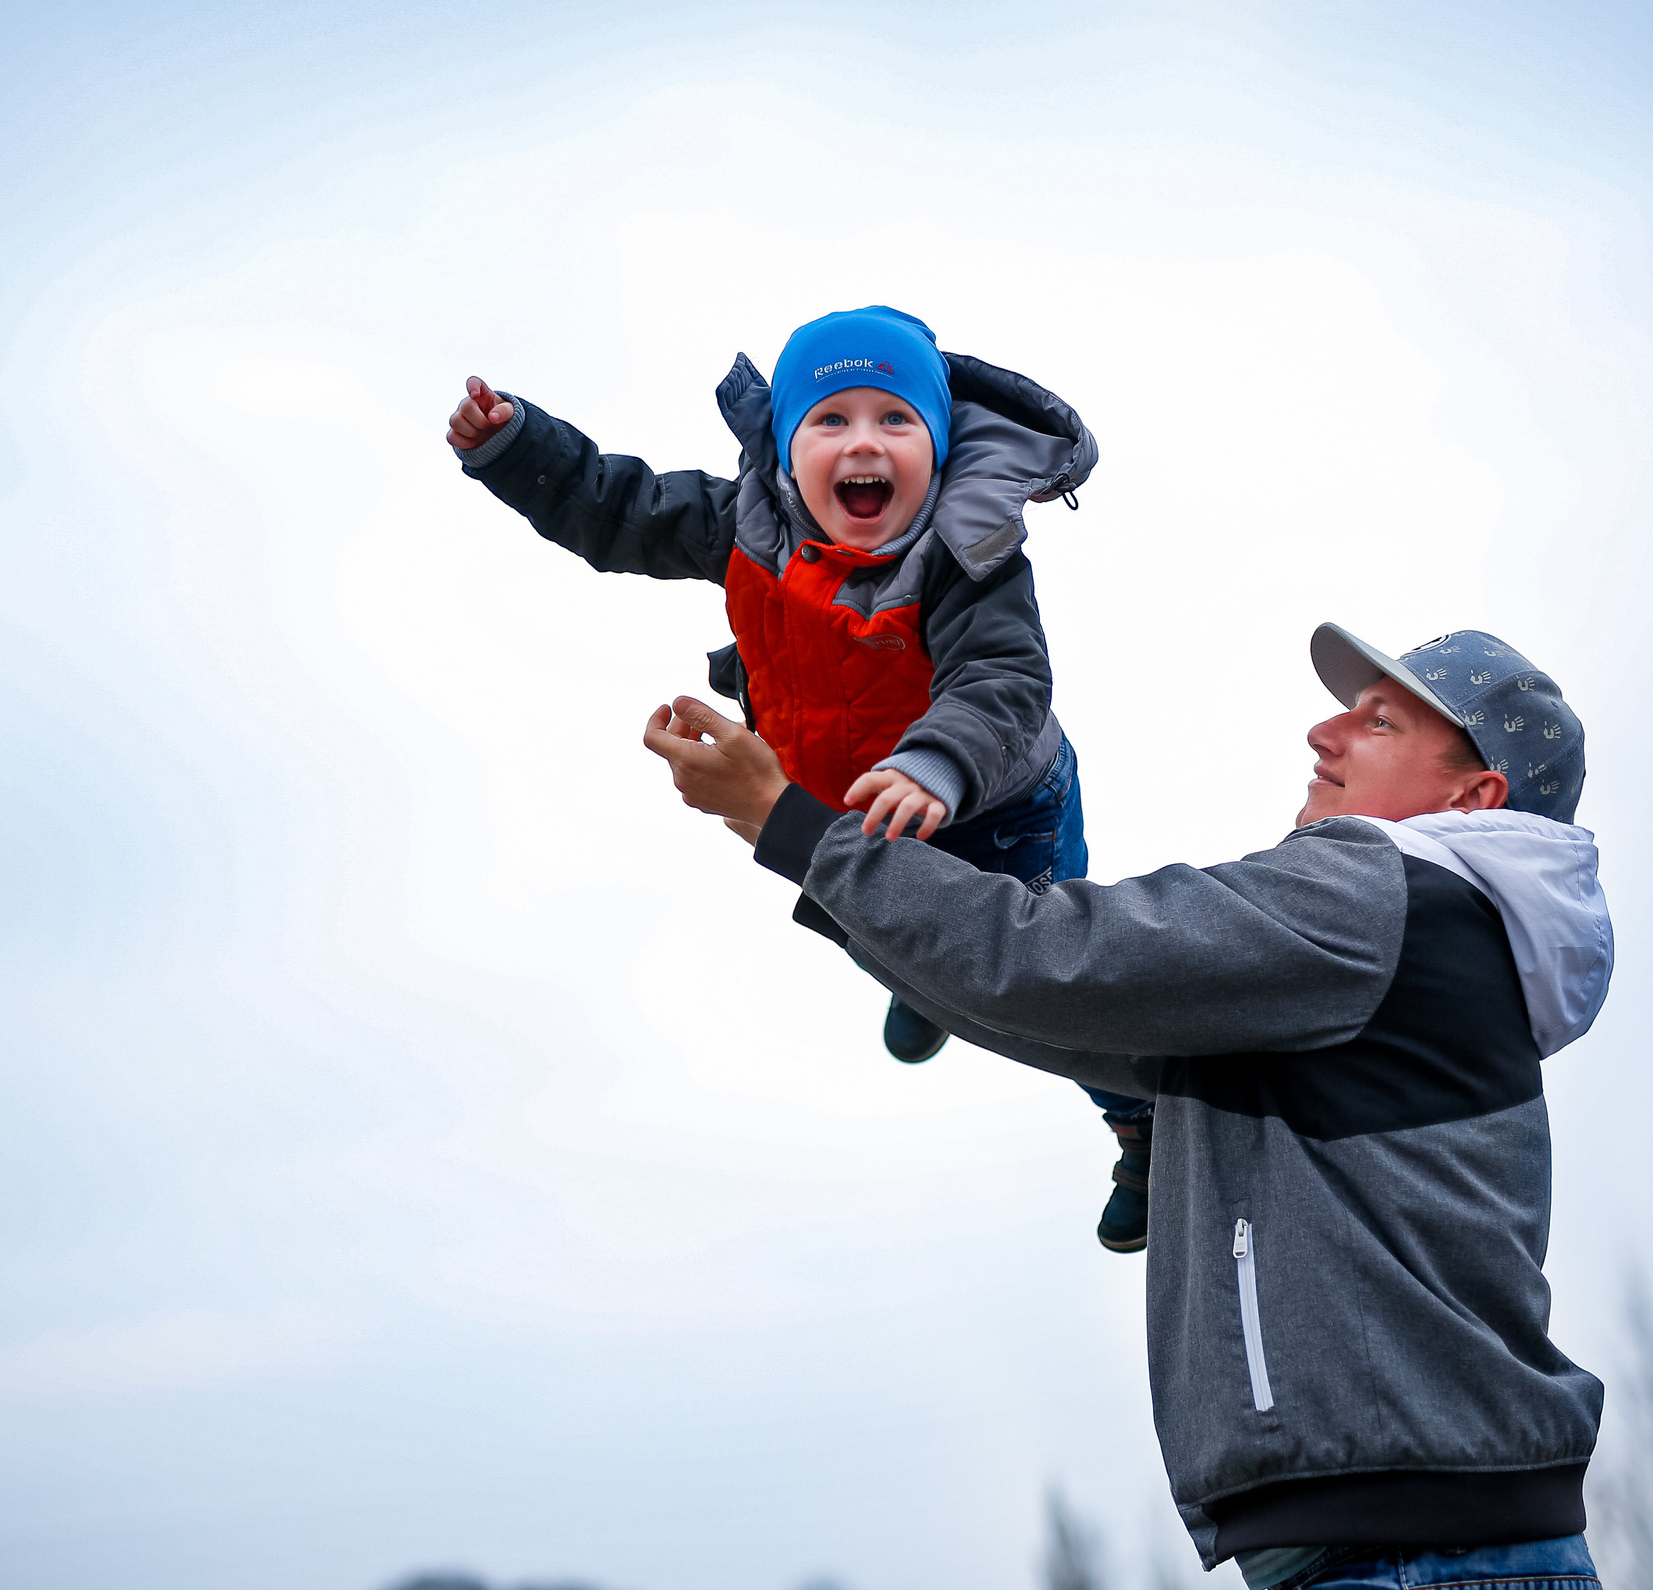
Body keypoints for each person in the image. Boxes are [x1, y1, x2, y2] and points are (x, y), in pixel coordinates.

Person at [642, 623, 1620, 1590]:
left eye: (1379, 720)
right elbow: (1069, 1011)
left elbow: (1056, 960)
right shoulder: (1409, 937)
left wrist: (796, 826)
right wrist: (828, 861)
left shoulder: (1385, 893)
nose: (1325, 727)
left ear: (1475, 798)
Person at [449, 306, 1158, 1251]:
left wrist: (936, 764)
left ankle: (1136, 1121)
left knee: (1041, 983)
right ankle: (921, 980)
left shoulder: (967, 554)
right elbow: (619, 510)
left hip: (996, 805)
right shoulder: (742, 522)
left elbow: (1003, 680)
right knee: (887, 924)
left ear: (938, 451)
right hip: (849, 804)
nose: (864, 442)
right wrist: (516, 448)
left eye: (895, 420)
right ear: (786, 449)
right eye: (831, 420)